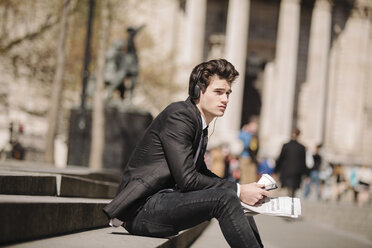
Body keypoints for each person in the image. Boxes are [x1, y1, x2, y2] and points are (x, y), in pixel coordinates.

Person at [103, 59, 269, 248]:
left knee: (233, 198)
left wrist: (243, 188)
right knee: (227, 198)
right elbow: (188, 180)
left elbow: (200, 172)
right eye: (218, 92)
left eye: (228, 93)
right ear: (198, 91)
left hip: (162, 202)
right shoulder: (179, 116)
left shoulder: (199, 123)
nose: (225, 99)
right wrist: (238, 191)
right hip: (141, 210)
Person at [274, 128, 308, 198]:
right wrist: (306, 173)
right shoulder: (302, 147)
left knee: (287, 188)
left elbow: (281, 158)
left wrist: (276, 169)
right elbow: (303, 162)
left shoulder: (286, 145)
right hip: (296, 171)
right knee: (293, 188)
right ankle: (291, 199)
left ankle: (288, 199)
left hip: (287, 170)